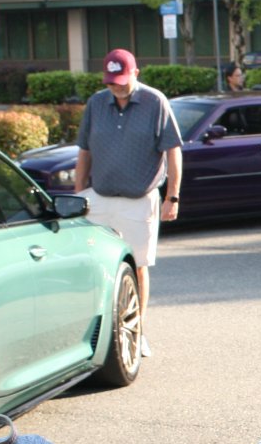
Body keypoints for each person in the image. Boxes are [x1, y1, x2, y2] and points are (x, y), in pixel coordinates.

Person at [74, 49, 182, 359]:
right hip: (100, 197)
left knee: (137, 267)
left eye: (122, 81)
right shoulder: (96, 103)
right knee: (95, 268)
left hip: (139, 198)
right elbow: (84, 150)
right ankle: (95, 333)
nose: (117, 88)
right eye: (111, 83)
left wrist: (172, 196)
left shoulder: (154, 102)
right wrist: (80, 193)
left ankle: (137, 330)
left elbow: (173, 151)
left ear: (135, 73)